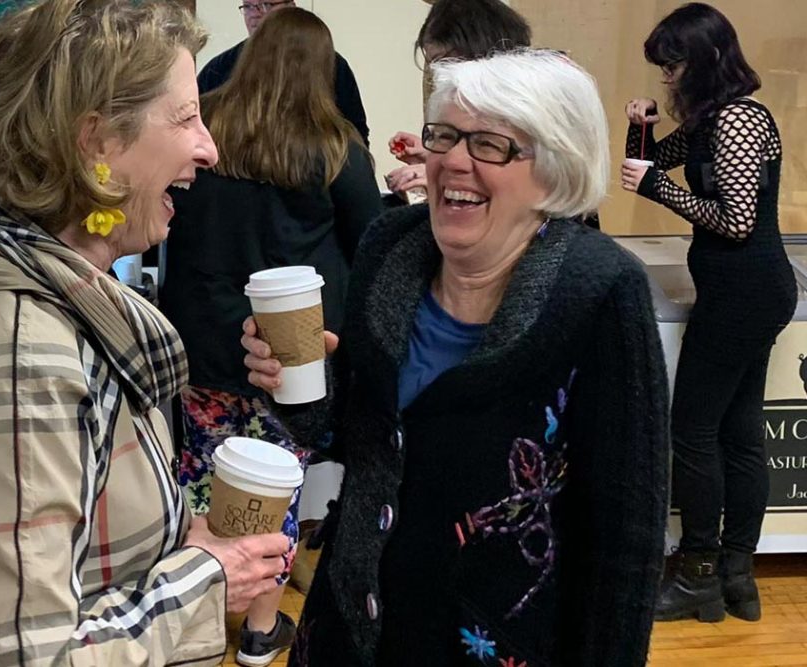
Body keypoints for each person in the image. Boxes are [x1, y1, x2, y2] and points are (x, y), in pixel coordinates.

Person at [0, 0, 293, 663]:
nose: (208, 147)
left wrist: (185, 539)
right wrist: (202, 574)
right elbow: (17, 657)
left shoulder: (67, 298)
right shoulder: (20, 354)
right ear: (97, 142)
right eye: (185, 117)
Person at [243, 50, 669, 664]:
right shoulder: (390, 249)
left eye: (490, 144)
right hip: (351, 628)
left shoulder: (599, 290)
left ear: (554, 170)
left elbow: (625, 539)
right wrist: (303, 384)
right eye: (443, 135)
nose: (452, 161)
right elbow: (357, 439)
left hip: (495, 644)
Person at [158, 8, 381, 665]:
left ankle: (194, 617)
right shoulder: (336, 148)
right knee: (275, 485)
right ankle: (259, 629)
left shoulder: (203, 138)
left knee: (200, 481)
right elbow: (371, 240)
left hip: (199, 335)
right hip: (293, 352)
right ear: (323, 72)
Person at [622, 3, 790, 625]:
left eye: (674, 65)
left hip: (745, 294)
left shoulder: (740, 121)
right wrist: (639, 130)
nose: (668, 79)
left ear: (706, 59)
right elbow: (650, 167)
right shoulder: (712, 118)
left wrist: (657, 189)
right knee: (738, 432)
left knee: (694, 432)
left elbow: (735, 221)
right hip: (744, 294)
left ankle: (699, 575)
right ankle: (735, 580)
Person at [384, 0, 531, 203]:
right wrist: (433, 158)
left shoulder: (527, 113)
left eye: (444, 63)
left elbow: (519, 186)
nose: (437, 76)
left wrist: (440, 178)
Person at [197, 0, 369, 145]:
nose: (256, 14)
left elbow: (356, 134)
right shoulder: (219, 69)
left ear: (291, 7)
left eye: (267, 4)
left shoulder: (330, 65)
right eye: (248, 6)